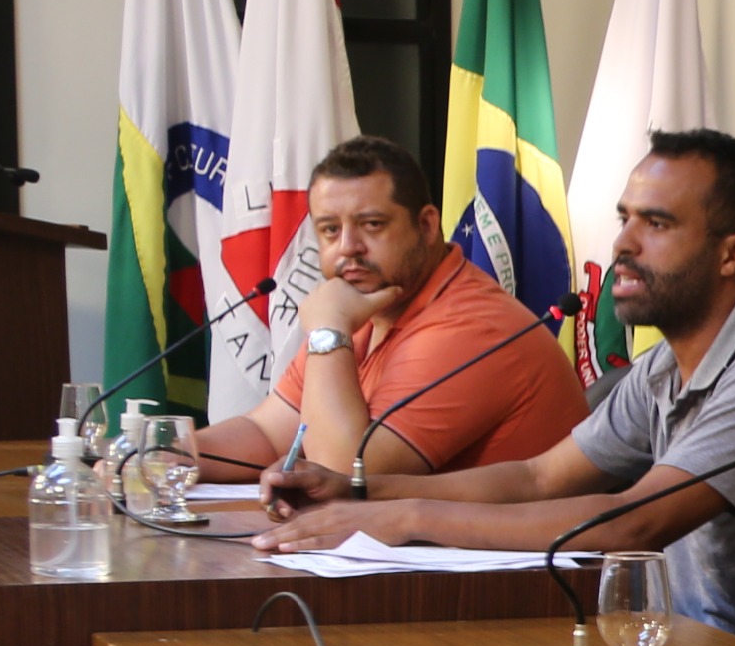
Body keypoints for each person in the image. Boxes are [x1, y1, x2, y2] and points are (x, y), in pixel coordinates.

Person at [253, 129, 735, 646]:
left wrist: (408, 519)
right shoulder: (667, 363)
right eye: (625, 218)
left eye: (656, 224)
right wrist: (361, 491)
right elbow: (537, 477)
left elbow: (634, 525)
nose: (624, 243)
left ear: (733, 253)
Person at [187, 135, 584, 484]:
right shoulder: (364, 304)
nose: (347, 247)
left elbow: (346, 476)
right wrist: (158, 454)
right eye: (329, 229)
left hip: (508, 566)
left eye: (372, 224)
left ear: (427, 226)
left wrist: (328, 329)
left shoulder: (469, 324)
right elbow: (266, 433)